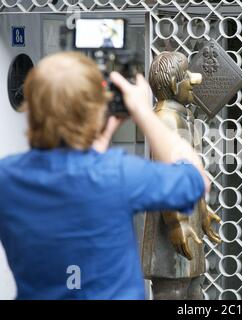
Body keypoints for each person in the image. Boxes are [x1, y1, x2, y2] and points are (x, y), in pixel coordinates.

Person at [0, 52, 210, 299]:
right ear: (97, 111)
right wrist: (144, 113)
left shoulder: (7, 178)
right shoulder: (116, 174)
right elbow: (196, 180)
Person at [141, 51, 221, 300]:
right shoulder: (166, 118)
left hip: (187, 223)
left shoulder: (179, 116)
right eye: (187, 76)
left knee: (192, 290)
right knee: (174, 291)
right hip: (173, 229)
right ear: (175, 85)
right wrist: (177, 222)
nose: (194, 81)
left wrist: (201, 209)